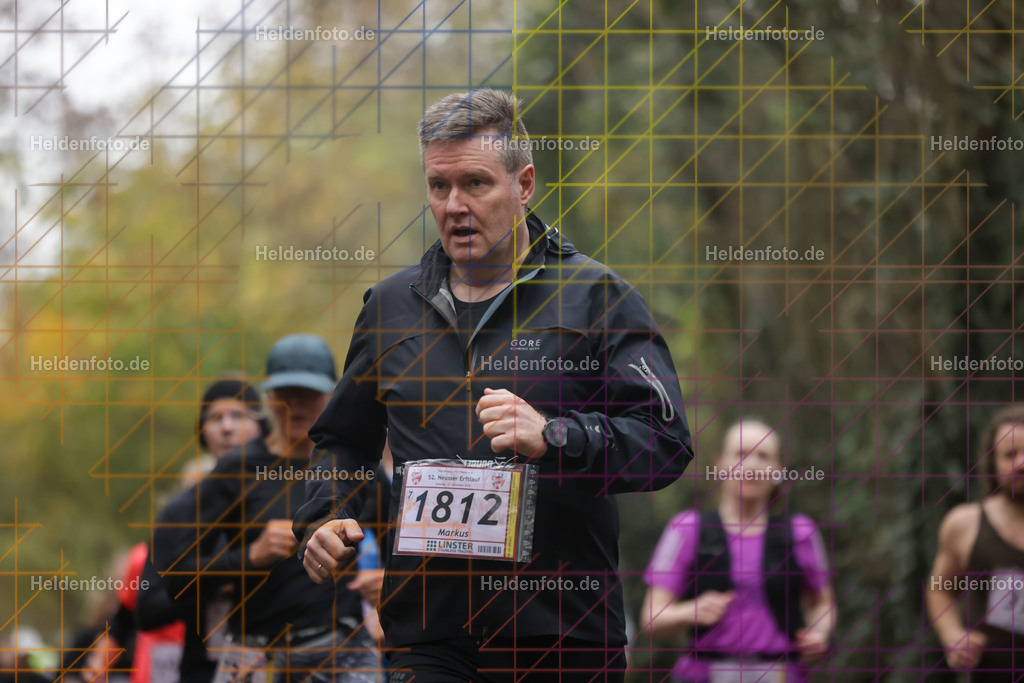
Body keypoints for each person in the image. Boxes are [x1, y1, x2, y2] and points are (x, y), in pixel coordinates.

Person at [293, 88, 693, 682]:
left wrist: (554, 436)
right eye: (438, 186)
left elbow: (665, 442)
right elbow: (343, 441)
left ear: (524, 184)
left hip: (561, 634)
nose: (454, 205)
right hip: (429, 635)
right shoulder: (390, 308)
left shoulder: (595, 297)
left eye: (475, 184)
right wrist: (325, 516)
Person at [152, 336, 379, 683]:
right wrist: (251, 557)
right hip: (254, 656)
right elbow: (177, 579)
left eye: (308, 394)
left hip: (341, 654)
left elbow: (411, 543)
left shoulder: (355, 467)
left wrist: (390, 586)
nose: (296, 404)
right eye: (285, 393)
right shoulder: (236, 469)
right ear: (269, 397)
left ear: (332, 396)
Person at [641, 419, 834, 682]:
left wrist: (820, 632)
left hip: (782, 672)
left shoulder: (801, 532)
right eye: (741, 454)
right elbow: (652, 618)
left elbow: (821, 602)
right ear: (720, 464)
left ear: (777, 469)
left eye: (763, 456)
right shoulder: (686, 528)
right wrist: (692, 610)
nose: (752, 466)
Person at [135, 377, 270, 683]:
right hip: (204, 670)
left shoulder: (289, 493)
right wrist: (215, 582)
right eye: (214, 418)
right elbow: (147, 608)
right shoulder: (182, 509)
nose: (226, 427)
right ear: (202, 432)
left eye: (238, 416)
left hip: (287, 665)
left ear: (262, 426)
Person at [927, 405, 1024, 680]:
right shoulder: (964, 524)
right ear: (992, 462)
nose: (1021, 463)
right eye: (1010, 455)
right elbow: (941, 588)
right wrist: (951, 634)